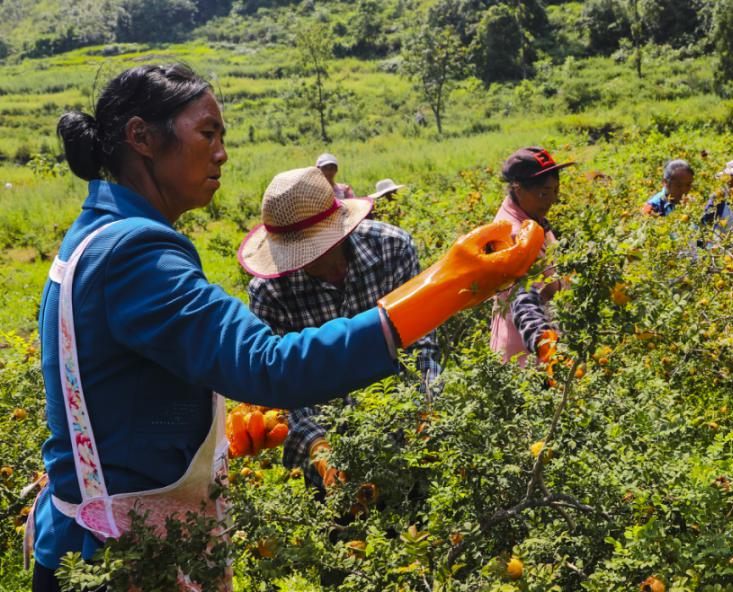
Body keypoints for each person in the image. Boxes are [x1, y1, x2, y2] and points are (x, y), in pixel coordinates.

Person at [28, 64, 543, 591]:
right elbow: (271, 364)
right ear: (142, 137)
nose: (222, 152)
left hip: (86, 542)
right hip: (112, 557)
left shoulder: (97, 235)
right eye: (207, 133)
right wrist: (449, 284)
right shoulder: (134, 252)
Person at [240, 167, 440, 495]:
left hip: (405, 436)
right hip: (326, 448)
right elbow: (278, 384)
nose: (305, 261)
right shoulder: (271, 292)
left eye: (314, 248)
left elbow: (421, 342)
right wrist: (319, 449)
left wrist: (425, 413)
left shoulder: (391, 250)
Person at [489, 147, 573, 367]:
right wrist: (544, 344)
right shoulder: (514, 235)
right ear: (518, 188)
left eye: (556, 191)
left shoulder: (531, 215)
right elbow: (523, 297)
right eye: (544, 193)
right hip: (526, 358)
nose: (552, 200)